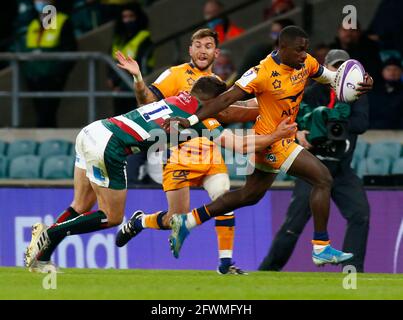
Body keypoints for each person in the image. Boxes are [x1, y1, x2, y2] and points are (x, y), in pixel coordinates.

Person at [24, 76, 298, 272]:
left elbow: (235, 111)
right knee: (112, 216)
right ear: (213, 101)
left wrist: (271, 102)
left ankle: (41, 257)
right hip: (112, 145)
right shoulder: (203, 118)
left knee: (81, 205)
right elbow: (240, 144)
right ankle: (50, 232)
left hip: (92, 131)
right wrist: (277, 134)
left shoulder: (180, 98)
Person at [163, 26, 374, 266]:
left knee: (248, 195)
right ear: (281, 48)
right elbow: (225, 99)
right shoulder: (260, 73)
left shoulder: (307, 63)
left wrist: (361, 84)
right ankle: (321, 246)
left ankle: (188, 221)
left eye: (305, 49)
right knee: (323, 179)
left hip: (278, 138)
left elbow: (332, 78)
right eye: (298, 50)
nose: (304, 55)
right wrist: (190, 120)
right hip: (271, 141)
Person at [114, 29, 249, 274]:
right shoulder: (175, 74)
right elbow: (146, 104)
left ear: (216, 52)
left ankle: (225, 264)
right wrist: (137, 79)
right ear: (190, 49)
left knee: (224, 201)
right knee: (173, 220)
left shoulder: (218, 85)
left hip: (210, 154)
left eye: (208, 46)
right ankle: (140, 221)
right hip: (180, 156)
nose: (202, 50)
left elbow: (232, 112)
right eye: (198, 45)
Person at [258, 49, 370, 272]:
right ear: (325, 68)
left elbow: (361, 125)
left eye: (343, 68)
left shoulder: (357, 94)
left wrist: (330, 119)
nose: (339, 72)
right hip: (313, 169)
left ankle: (353, 270)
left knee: (360, 215)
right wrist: (298, 133)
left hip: (341, 169)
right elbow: (287, 119)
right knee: (293, 224)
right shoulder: (309, 93)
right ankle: (267, 271)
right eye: (335, 67)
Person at [20, 0, 77, 127]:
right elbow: (25, 51)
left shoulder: (62, 21)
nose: (40, 2)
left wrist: (58, 75)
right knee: (39, 112)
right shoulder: (33, 23)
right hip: (33, 77)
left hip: (52, 78)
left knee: (48, 112)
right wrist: (28, 72)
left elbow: (70, 51)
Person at [107, 2, 153, 115]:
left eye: (131, 16)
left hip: (133, 85)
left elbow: (141, 65)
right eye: (124, 17)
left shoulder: (144, 37)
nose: (127, 20)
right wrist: (111, 80)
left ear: (138, 18)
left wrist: (121, 86)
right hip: (117, 87)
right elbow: (110, 61)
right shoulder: (118, 39)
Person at [368, 57, 403, 129]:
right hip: (374, 132)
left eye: (396, 69)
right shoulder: (373, 91)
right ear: (382, 72)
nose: (392, 73)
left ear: (401, 72)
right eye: (388, 69)